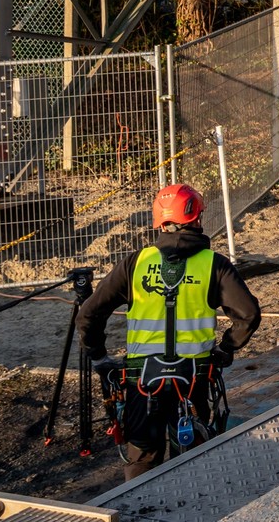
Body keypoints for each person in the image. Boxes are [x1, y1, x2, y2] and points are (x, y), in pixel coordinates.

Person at [76, 182, 261, 478]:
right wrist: (226, 349)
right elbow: (248, 314)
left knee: (141, 459)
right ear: (197, 218)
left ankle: (139, 512)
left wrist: (99, 359)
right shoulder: (214, 265)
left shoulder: (135, 263)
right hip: (193, 378)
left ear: (159, 221)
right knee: (194, 454)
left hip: (141, 382)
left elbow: (89, 314)